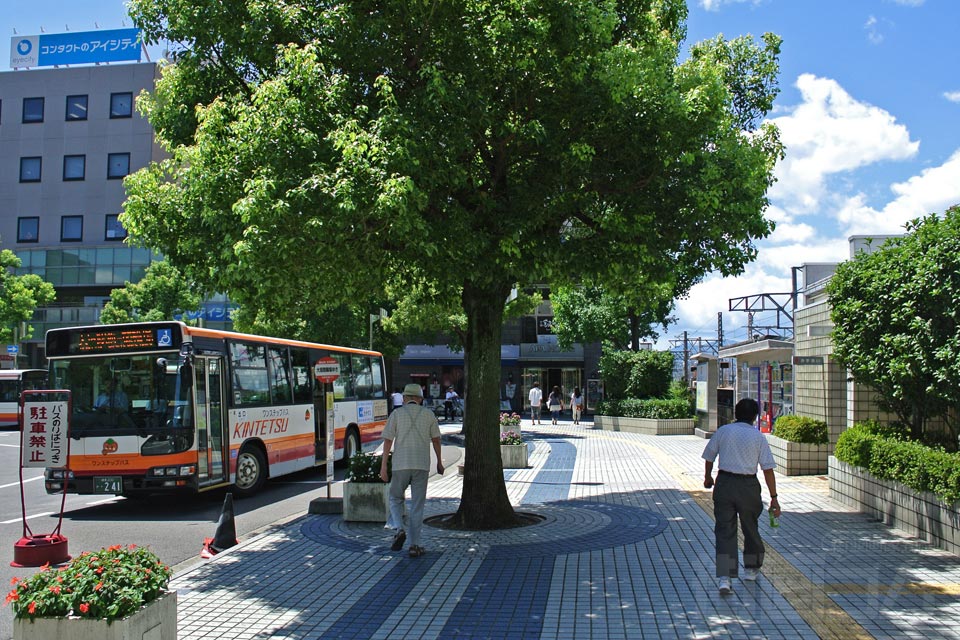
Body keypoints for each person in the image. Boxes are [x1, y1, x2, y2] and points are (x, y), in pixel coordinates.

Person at [702, 398, 781, 595]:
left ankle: (725, 577)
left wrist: (708, 477)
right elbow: (768, 469)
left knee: (724, 531)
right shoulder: (758, 437)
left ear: (736, 413)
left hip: (725, 483)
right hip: (748, 486)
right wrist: (774, 497)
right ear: (754, 416)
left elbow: (709, 456)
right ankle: (751, 569)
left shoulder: (723, 431)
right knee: (750, 528)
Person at [380, 383, 444, 558]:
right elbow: (436, 440)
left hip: (400, 463)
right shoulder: (429, 414)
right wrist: (439, 462)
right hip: (421, 464)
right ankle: (415, 545)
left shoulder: (396, 414)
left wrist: (383, 466)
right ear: (420, 399)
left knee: (395, 497)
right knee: (417, 504)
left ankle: (399, 528)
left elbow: (387, 440)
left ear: (405, 398)